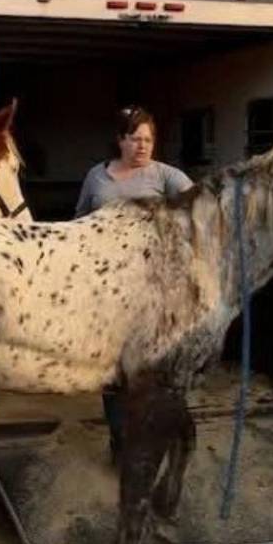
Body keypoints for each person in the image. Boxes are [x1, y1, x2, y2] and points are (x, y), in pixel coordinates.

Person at [74, 106, 194, 457]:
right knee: (112, 370)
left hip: (152, 289)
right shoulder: (97, 177)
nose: (142, 146)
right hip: (104, 288)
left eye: (148, 139)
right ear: (120, 140)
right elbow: (78, 221)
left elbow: (203, 208)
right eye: (135, 139)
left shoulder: (167, 176)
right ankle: (120, 440)